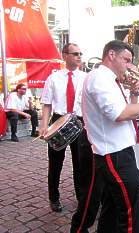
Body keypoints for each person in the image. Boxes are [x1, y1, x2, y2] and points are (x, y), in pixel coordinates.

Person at [75, 40, 139, 233]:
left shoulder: (112, 80)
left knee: (113, 208)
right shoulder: (100, 78)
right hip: (114, 154)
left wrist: (135, 93)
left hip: (119, 151)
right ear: (111, 55)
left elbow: (129, 112)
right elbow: (119, 114)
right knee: (132, 214)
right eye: (127, 60)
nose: (130, 66)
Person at [39, 43, 86, 212]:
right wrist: (44, 125)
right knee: (55, 163)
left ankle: (82, 197)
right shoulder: (54, 78)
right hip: (58, 120)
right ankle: (54, 198)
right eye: (75, 53)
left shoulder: (85, 78)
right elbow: (46, 104)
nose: (79, 56)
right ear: (64, 55)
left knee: (80, 163)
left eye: (80, 53)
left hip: (79, 121)